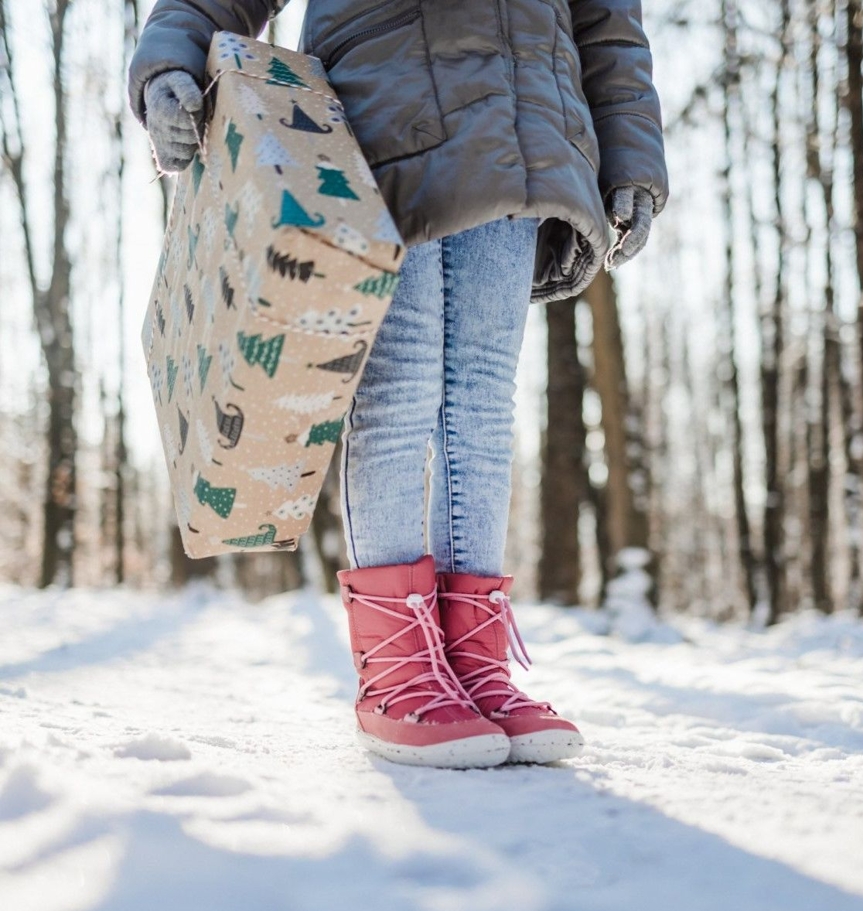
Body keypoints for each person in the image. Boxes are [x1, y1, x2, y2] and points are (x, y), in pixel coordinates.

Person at [127, 0, 669, 770]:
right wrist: (169, 59)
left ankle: (473, 665)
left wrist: (631, 152)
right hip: (382, 112)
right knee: (399, 390)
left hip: (525, 123)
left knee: (484, 405)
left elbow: (608, 22)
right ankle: (398, 673)